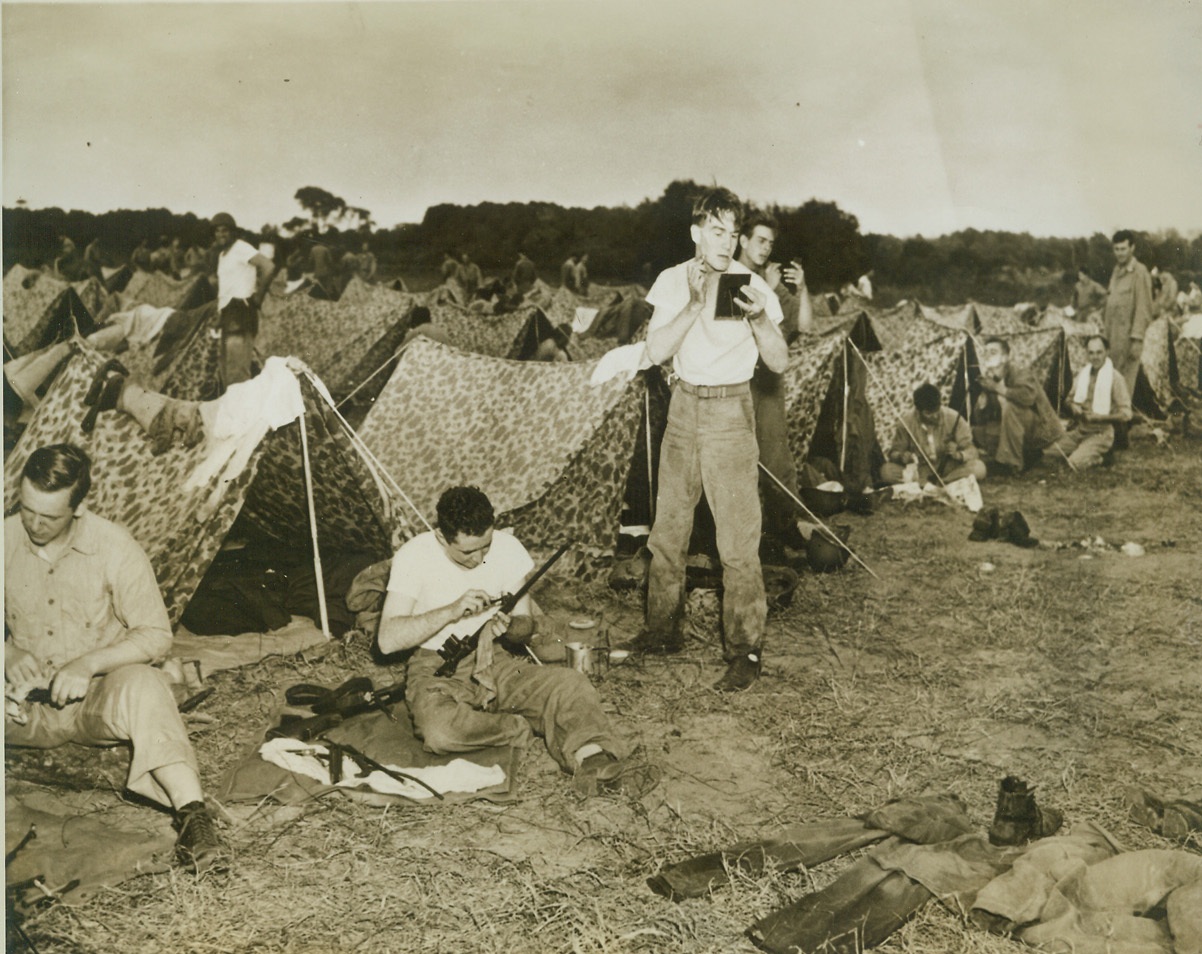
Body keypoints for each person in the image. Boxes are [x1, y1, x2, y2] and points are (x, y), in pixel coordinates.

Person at [5, 444, 228, 873]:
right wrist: (7, 651)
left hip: (95, 699)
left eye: (48, 516)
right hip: (25, 706)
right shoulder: (4, 537)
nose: (33, 523)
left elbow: (156, 635)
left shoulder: (114, 546)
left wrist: (88, 664)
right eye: (27, 509)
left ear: (78, 508)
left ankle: (194, 821)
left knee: (145, 684)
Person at [376, 486, 656, 796]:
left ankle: (592, 759)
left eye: (485, 546)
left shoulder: (508, 549)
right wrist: (451, 610)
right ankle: (518, 725)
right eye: (467, 552)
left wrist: (511, 628)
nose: (479, 558)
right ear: (442, 537)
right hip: (437, 668)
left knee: (570, 684)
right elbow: (387, 640)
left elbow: (525, 625)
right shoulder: (414, 555)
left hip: (496, 661)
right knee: (439, 731)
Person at [625, 187, 788, 693]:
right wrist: (695, 304)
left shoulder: (752, 287)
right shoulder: (673, 280)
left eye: (733, 233)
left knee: (737, 542)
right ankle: (661, 631)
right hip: (683, 408)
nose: (727, 242)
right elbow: (655, 351)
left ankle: (745, 651)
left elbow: (779, 361)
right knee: (668, 531)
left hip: (730, 412)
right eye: (717, 231)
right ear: (696, 232)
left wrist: (759, 317)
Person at [735, 209, 815, 550]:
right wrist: (764, 290)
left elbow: (804, 326)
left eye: (770, 243)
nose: (766, 248)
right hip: (735, 382)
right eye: (760, 240)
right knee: (734, 459)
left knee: (776, 457)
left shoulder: (769, 282)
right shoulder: (730, 276)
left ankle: (784, 526)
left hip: (767, 382)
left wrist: (802, 287)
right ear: (742, 240)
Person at [971, 337, 1063, 477]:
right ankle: (1027, 455)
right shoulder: (991, 377)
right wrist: (982, 405)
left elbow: (1028, 397)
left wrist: (998, 388)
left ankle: (1010, 464)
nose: (987, 356)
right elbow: (981, 419)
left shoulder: (1020, 372)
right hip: (1018, 428)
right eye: (985, 352)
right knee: (978, 432)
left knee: (1011, 407)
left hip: (1042, 430)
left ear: (1005, 357)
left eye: (993, 352)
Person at [1044, 334, 1132, 471]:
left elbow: (1126, 414)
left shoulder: (1115, 378)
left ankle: (1103, 458)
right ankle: (1083, 450)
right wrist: (1073, 406)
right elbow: (1068, 400)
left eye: (1099, 352)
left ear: (1107, 352)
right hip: (1080, 430)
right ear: (1087, 354)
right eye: (1091, 353)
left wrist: (1100, 418)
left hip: (1101, 432)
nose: (1095, 357)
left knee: (1074, 464)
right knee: (1048, 453)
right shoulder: (1083, 374)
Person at [212, 212, 275, 388]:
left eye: (225, 230)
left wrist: (258, 298)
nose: (221, 234)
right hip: (227, 315)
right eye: (217, 231)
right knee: (226, 371)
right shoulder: (222, 255)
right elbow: (226, 289)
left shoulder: (241, 247)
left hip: (240, 313)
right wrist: (219, 315)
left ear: (233, 232)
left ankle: (243, 406)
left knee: (238, 374)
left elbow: (268, 266)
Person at [880, 383, 986, 485]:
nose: (934, 416)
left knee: (979, 468)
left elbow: (972, 451)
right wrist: (901, 456)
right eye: (928, 413)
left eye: (936, 410)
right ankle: (934, 484)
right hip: (921, 470)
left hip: (949, 469)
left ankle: (940, 483)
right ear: (918, 410)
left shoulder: (953, 418)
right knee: (886, 471)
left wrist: (958, 455)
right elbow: (894, 453)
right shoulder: (906, 423)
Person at [1102, 230, 1154, 390]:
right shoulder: (1116, 272)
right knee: (1111, 381)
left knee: (1124, 385)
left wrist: (1137, 339)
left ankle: (1125, 407)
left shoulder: (1139, 272)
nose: (1120, 253)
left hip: (1128, 340)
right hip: (1112, 337)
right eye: (1116, 249)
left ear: (1132, 248)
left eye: (1123, 249)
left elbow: (1143, 308)